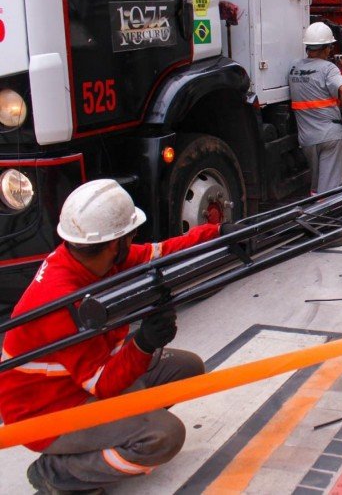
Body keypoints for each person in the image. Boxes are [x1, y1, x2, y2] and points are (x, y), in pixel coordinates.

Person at [0, 179, 243, 493]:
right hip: (47, 411)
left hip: (76, 382)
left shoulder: (92, 258)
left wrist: (218, 234)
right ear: (116, 243)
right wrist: (144, 343)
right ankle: (58, 472)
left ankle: (123, 425)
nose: (135, 240)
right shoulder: (60, 301)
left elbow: (161, 253)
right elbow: (102, 383)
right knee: (164, 436)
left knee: (188, 370)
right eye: (132, 235)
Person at [289, 22, 342, 195]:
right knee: (331, 189)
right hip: (331, 136)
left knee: (316, 186)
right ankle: (331, 218)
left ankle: (315, 215)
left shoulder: (294, 68)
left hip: (307, 138)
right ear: (327, 48)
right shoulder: (328, 68)